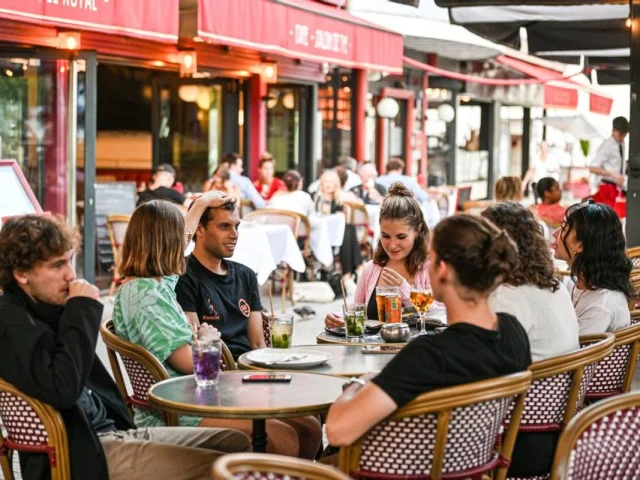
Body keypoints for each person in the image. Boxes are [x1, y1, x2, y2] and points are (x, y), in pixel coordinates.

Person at [0, 214, 250, 480]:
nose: (70, 275)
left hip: (113, 433)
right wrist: (80, 311)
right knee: (228, 467)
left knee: (237, 442)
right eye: (58, 265)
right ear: (21, 274)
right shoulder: (11, 323)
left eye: (70, 261)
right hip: (87, 452)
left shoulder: (40, 310)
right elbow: (63, 388)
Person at [325, 214, 531, 449]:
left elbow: (338, 432)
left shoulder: (430, 355)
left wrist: (359, 383)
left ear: (442, 270)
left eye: (430, 258)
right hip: (476, 464)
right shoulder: (514, 332)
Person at [175, 198, 322, 458]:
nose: (234, 235)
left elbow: (258, 345)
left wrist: (273, 379)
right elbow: (196, 342)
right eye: (224, 227)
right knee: (287, 436)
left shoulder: (245, 274)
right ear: (199, 229)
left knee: (311, 425)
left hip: (251, 375)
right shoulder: (185, 277)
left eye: (236, 226)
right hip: (218, 380)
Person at [482, 202, 579, 362]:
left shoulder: (505, 296)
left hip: (529, 383)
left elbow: (490, 359)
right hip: (562, 382)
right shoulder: (555, 286)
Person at [325, 183, 430, 327]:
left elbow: (439, 315)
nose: (392, 245)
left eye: (401, 237)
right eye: (385, 236)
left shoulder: (428, 268)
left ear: (417, 231)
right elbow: (359, 313)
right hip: (373, 348)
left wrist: (403, 288)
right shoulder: (371, 269)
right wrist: (339, 320)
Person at [552, 199, 633, 334]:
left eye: (564, 229)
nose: (555, 233)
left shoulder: (601, 306)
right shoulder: (576, 283)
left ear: (581, 246)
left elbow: (570, 350)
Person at [314, 170, 363, 293]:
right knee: (347, 230)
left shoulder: (339, 198)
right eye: (326, 181)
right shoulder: (316, 196)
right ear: (321, 183)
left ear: (336, 184)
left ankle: (350, 274)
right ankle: (355, 271)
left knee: (348, 230)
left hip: (335, 235)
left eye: (331, 181)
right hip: (320, 235)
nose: (328, 184)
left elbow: (358, 204)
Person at [590, 116, 628, 207]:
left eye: (624, 134)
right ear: (613, 130)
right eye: (620, 133)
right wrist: (613, 174)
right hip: (607, 188)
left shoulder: (622, 143)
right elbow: (593, 168)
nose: (622, 136)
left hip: (618, 187)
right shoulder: (606, 145)